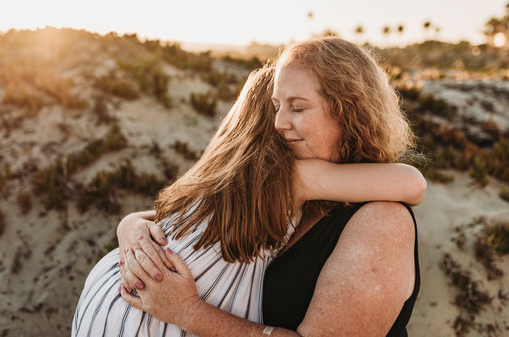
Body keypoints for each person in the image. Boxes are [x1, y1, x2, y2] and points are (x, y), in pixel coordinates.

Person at [119, 37, 425, 336]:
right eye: (277, 106)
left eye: (298, 107)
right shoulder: (302, 193)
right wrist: (133, 226)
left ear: (349, 110)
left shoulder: (382, 221)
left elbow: (413, 183)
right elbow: (213, 212)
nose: (279, 122)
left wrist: (187, 312)